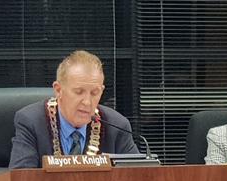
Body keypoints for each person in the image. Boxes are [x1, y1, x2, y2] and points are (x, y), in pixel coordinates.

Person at [9, 50, 139, 168]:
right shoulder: (32, 122)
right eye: (79, 92)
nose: (87, 102)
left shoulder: (117, 126)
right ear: (58, 90)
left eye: (94, 93)